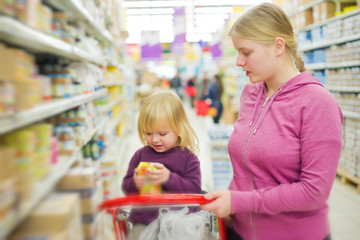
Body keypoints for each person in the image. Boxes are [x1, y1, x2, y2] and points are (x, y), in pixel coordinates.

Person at [200, 3, 343, 240]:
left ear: (278, 46)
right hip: (241, 231)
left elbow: (313, 192)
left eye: (246, 52)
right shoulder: (251, 93)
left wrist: (239, 201)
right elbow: (247, 167)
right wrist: (230, 203)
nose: (238, 61)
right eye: (237, 52)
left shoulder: (317, 103)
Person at [121, 90, 202, 239]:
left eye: (162, 134)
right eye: (148, 133)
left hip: (178, 226)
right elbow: (126, 187)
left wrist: (168, 178)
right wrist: (135, 183)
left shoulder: (188, 158)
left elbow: (195, 192)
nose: (154, 140)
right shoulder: (141, 155)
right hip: (143, 223)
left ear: (179, 128)